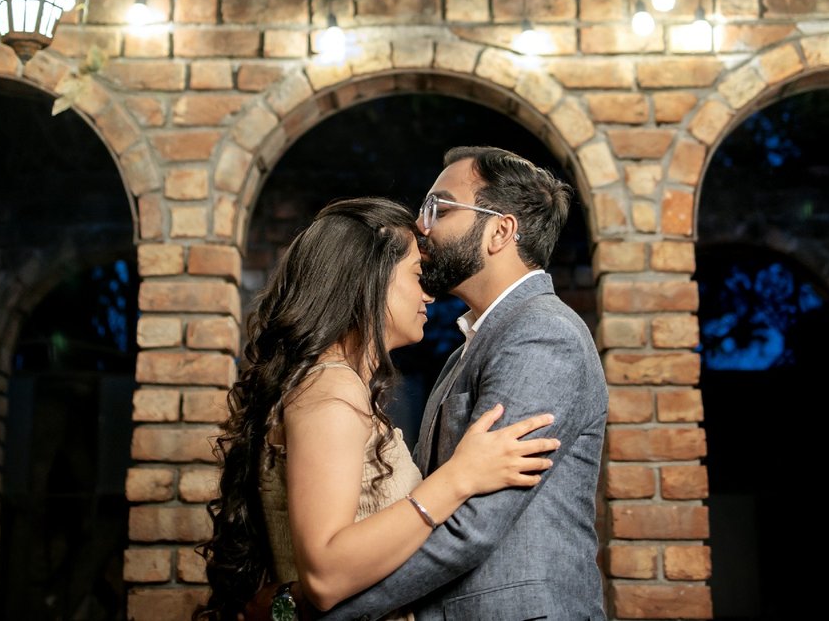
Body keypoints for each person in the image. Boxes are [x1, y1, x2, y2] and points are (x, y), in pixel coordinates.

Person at [197, 197, 561, 621]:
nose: (428, 294)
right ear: (369, 279)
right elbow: (325, 575)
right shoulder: (330, 389)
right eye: (417, 275)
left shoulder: (333, 385)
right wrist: (459, 477)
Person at [319, 146, 608, 621]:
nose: (422, 225)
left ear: (501, 231)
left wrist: (320, 610)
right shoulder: (468, 348)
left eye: (440, 207)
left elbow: (473, 526)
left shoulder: (543, 334)